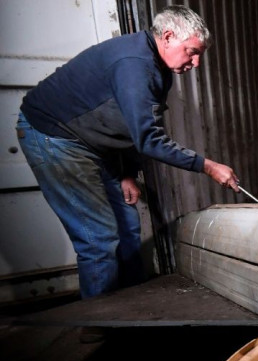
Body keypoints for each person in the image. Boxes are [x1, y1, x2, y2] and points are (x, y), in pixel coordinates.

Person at [15, 5, 240, 298]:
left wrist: (126, 174)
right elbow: (149, 139)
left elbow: (132, 127)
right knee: (98, 237)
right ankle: (99, 322)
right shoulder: (133, 64)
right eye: (192, 51)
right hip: (55, 138)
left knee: (128, 223)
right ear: (169, 36)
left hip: (93, 140)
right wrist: (207, 165)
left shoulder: (161, 68)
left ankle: (134, 301)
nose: (196, 63)